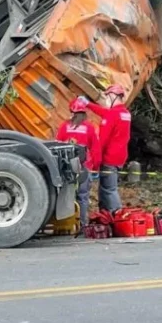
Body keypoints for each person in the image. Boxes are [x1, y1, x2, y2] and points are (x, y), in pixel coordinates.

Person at [78, 84, 130, 215]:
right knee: (105, 188)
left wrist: (95, 161)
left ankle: (117, 215)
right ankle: (105, 216)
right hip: (120, 157)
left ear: (113, 96)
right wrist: (88, 104)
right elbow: (104, 113)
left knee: (109, 189)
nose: (106, 99)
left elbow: (101, 141)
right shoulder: (124, 113)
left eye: (107, 96)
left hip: (109, 158)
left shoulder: (113, 115)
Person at [56, 98, 100, 230]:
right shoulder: (89, 128)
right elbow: (96, 149)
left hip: (66, 168)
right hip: (84, 167)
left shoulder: (64, 127)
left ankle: (67, 224)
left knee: (67, 196)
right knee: (83, 196)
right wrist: (96, 167)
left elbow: (57, 145)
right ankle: (82, 223)